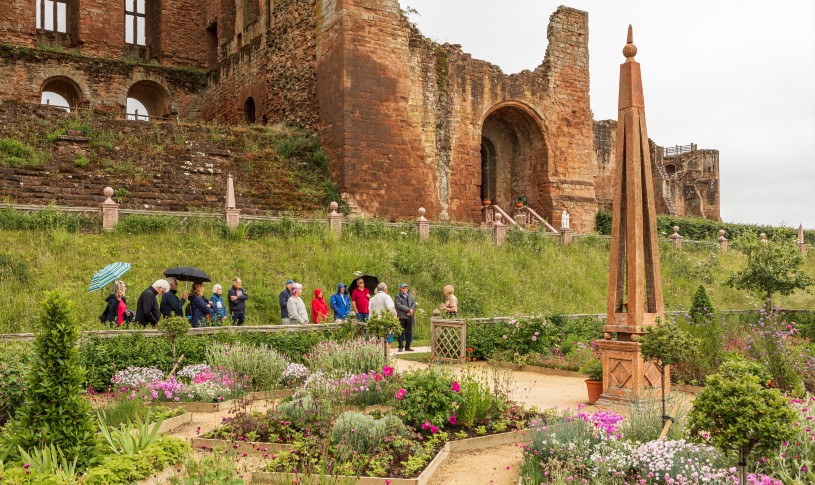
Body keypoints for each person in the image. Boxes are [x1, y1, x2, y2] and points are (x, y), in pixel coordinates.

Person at [369, 282, 397, 347]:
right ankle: (387, 354)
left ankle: (379, 355)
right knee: (388, 341)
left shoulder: (372, 299)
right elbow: (391, 309)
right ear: (385, 289)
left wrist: (371, 322)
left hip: (375, 322)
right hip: (385, 322)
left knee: (377, 341)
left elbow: (370, 311)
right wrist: (394, 318)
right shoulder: (386, 297)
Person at [394, 283, 417, 352]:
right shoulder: (397, 296)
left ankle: (408, 347)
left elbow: (414, 304)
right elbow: (399, 306)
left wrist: (411, 311)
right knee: (401, 332)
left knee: (409, 332)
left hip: (409, 316)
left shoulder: (409, 295)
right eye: (403, 288)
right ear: (401, 289)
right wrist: (408, 309)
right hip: (402, 317)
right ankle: (400, 347)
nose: (405, 289)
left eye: (406, 288)